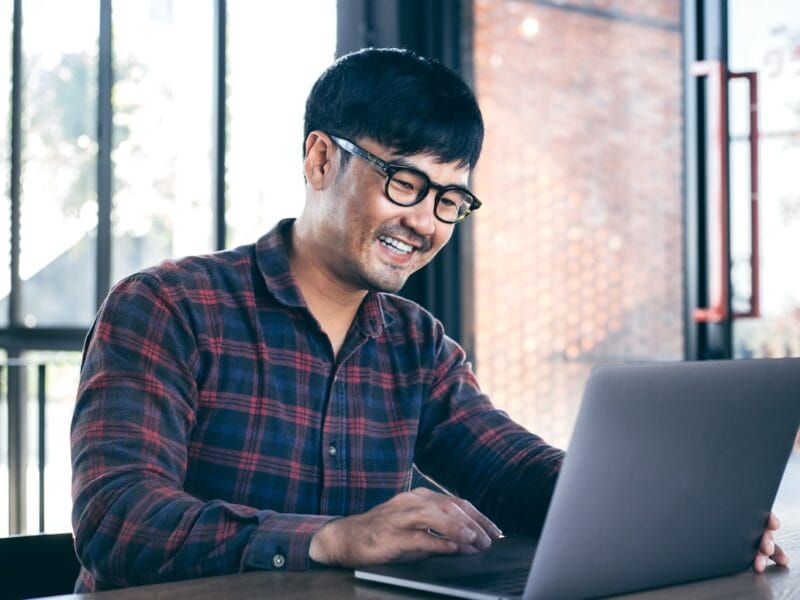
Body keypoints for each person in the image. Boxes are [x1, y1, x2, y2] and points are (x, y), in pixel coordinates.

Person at [70, 47, 786, 592]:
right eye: (405, 182)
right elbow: (117, 517)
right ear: (320, 159)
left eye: (451, 199)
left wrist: (680, 519)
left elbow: (516, 472)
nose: (424, 222)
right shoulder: (167, 307)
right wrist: (331, 538)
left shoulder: (416, 345)